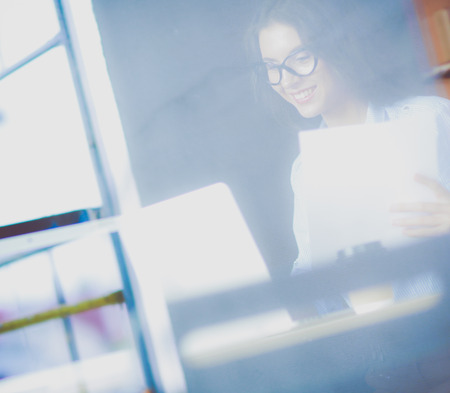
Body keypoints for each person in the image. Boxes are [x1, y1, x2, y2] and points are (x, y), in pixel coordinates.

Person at [247, 0, 450, 275]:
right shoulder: (305, 170)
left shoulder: (432, 119)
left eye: (302, 58)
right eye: (272, 66)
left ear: (338, 47)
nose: (287, 80)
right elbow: (310, 275)